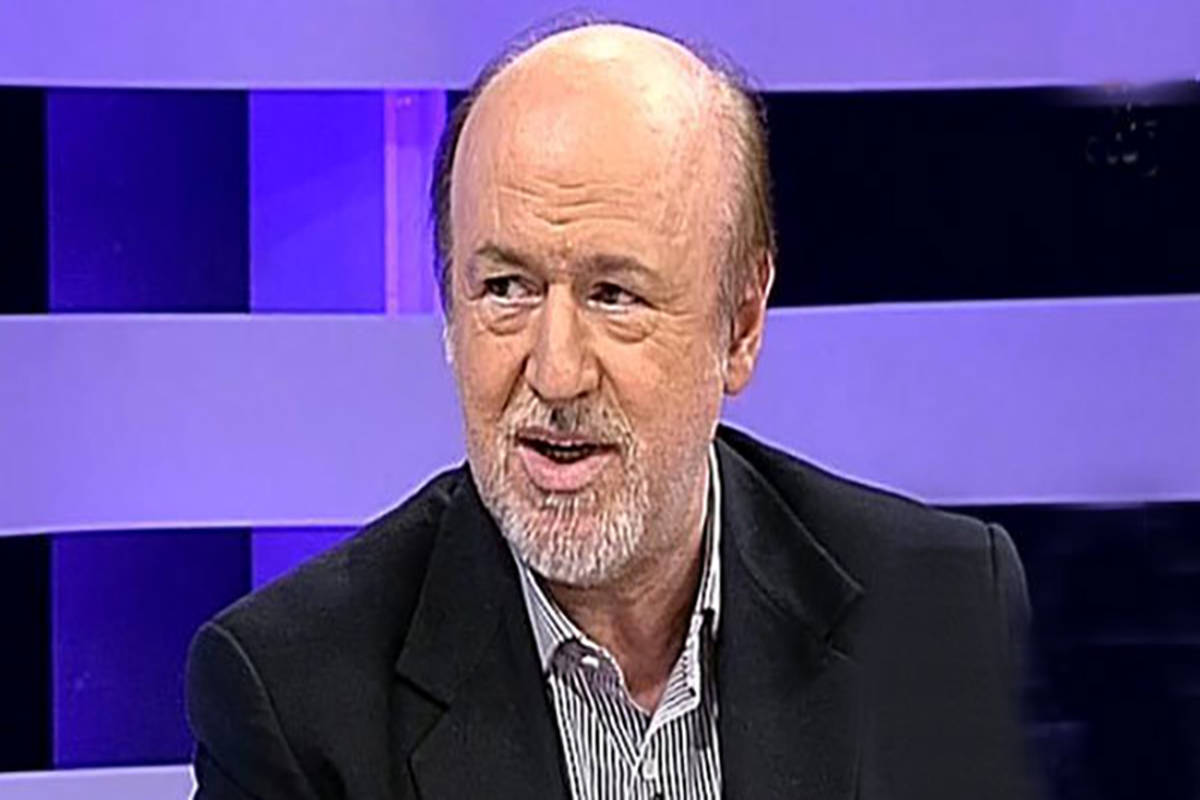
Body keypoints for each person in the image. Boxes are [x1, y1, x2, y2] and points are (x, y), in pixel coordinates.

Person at [186, 21, 1034, 800]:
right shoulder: (294, 700)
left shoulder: (941, 613)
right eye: (506, 288)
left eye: (614, 294)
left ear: (740, 325)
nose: (556, 374)